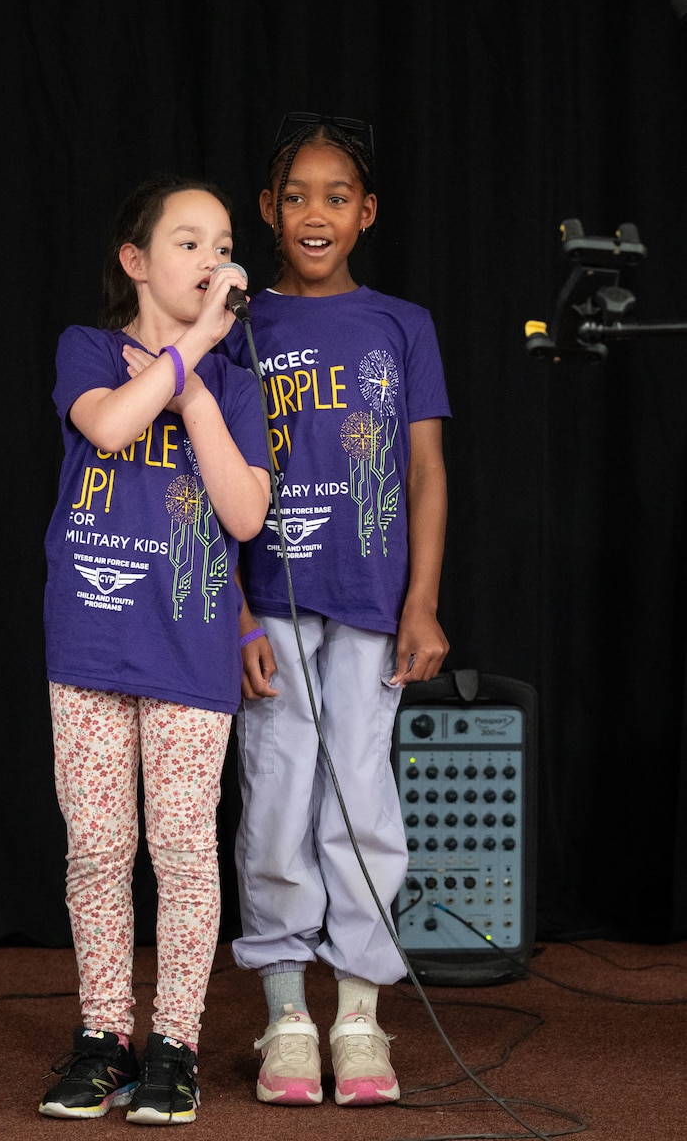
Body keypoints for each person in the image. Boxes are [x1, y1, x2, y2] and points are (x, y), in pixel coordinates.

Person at [219, 114, 451, 1108]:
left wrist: (422, 602)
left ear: (367, 213)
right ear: (269, 212)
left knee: (361, 799)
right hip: (270, 602)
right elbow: (208, 476)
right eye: (297, 196)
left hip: (370, 604)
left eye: (338, 196)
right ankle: (286, 1017)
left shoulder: (402, 324)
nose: (317, 213)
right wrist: (234, 614)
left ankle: (358, 1015)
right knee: (276, 799)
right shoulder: (238, 327)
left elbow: (425, 471)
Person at [39, 175, 271, 1124]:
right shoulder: (89, 350)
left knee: (182, 849)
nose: (213, 259)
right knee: (98, 847)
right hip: (91, 641)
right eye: (189, 242)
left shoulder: (236, 385)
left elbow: (245, 515)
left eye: (224, 245)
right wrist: (184, 356)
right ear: (136, 261)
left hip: (188, 650)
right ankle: (104, 1036)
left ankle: (175, 1043)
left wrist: (203, 379)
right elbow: (107, 424)